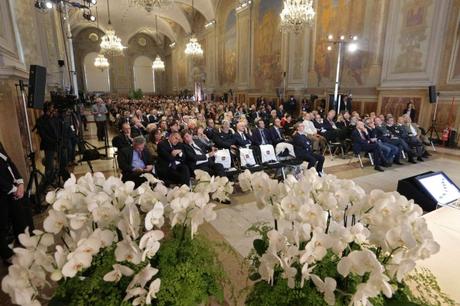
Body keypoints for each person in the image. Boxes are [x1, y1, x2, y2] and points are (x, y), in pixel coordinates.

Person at [0, 143, 33, 265]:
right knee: (1, 225)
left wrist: (20, 181)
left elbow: (9, 162)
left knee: (20, 215)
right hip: (3, 190)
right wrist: (13, 188)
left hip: (10, 188)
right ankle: (6, 255)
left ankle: (24, 242)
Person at [36, 102, 59, 187]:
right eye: (51, 108)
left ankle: (53, 179)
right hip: (49, 145)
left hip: (56, 144)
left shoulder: (54, 118)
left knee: (55, 164)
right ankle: (47, 183)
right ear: (47, 109)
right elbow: (43, 135)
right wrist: (54, 141)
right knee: (49, 166)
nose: (53, 110)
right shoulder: (41, 120)